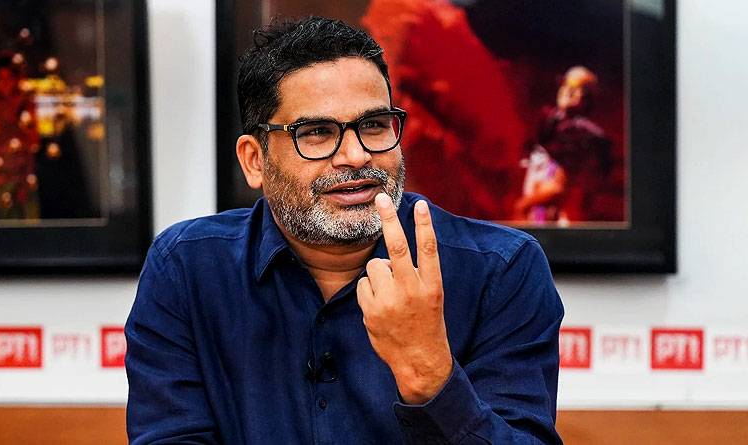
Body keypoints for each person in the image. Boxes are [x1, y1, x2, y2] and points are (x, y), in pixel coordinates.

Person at [126, 17, 564, 444]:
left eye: (373, 125)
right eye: (316, 132)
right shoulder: (186, 268)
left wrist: (429, 375)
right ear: (255, 160)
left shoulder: (501, 270)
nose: (356, 156)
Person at [514, 66, 614, 224]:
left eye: (578, 88)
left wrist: (524, 205)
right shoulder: (549, 118)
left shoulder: (588, 133)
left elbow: (561, 187)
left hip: (560, 204)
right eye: (566, 85)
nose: (569, 91)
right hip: (540, 197)